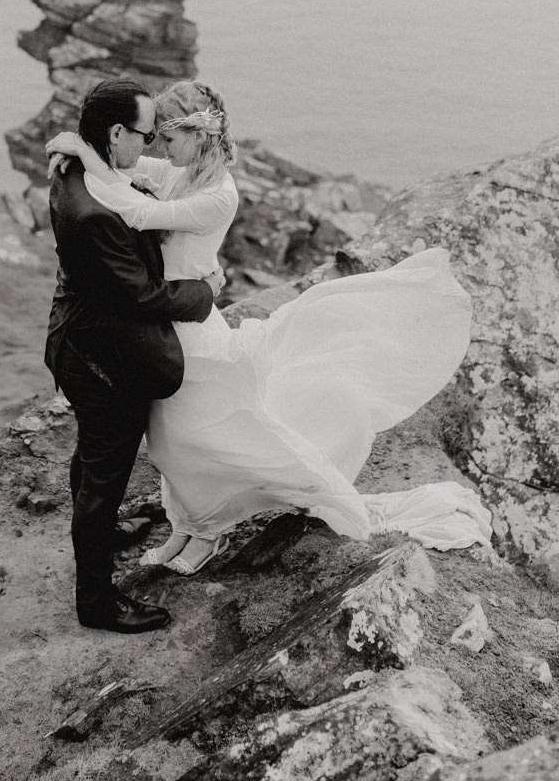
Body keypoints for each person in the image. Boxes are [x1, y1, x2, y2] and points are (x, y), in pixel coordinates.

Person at [46, 78, 492, 575]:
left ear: (196, 136)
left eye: (165, 138)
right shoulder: (180, 168)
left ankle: (208, 531)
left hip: (190, 325)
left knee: (197, 438)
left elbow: (138, 211)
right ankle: (187, 523)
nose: (156, 147)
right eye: (153, 138)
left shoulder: (218, 194)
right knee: (176, 441)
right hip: (169, 323)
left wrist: (84, 157)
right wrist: (87, 149)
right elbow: (126, 173)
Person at [44, 77, 224, 633]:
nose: (150, 149)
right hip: (101, 358)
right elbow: (142, 296)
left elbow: (130, 189)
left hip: (81, 334)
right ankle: (96, 602)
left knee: (93, 460)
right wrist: (206, 292)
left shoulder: (76, 171)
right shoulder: (96, 210)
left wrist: (71, 143)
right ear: (115, 132)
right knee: (104, 473)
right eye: (146, 136)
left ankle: (101, 532)